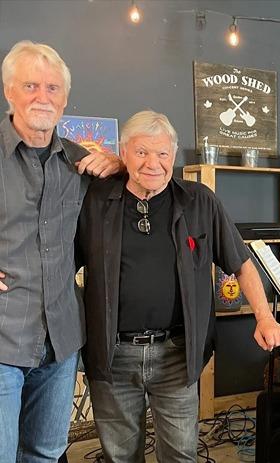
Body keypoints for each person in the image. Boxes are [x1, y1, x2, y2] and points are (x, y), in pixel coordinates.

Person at [76, 110, 280, 462]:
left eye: (162, 154)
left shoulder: (199, 201)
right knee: (119, 456)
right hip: (112, 355)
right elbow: (55, 259)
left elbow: (241, 263)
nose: (153, 164)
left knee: (180, 455)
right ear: (124, 153)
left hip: (177, 354)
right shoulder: (95, 201)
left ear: (173, 156)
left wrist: (264, 318)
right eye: (141, 152)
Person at [0, 41, 122, 462]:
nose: (42, 96)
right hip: (1, 340)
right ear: (8, 91)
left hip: (61, 341)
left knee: (46, 454)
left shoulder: (79, 163)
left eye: (53, 88)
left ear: (65, 99)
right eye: (31, 85)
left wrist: (120, 163)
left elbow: (141, 181)